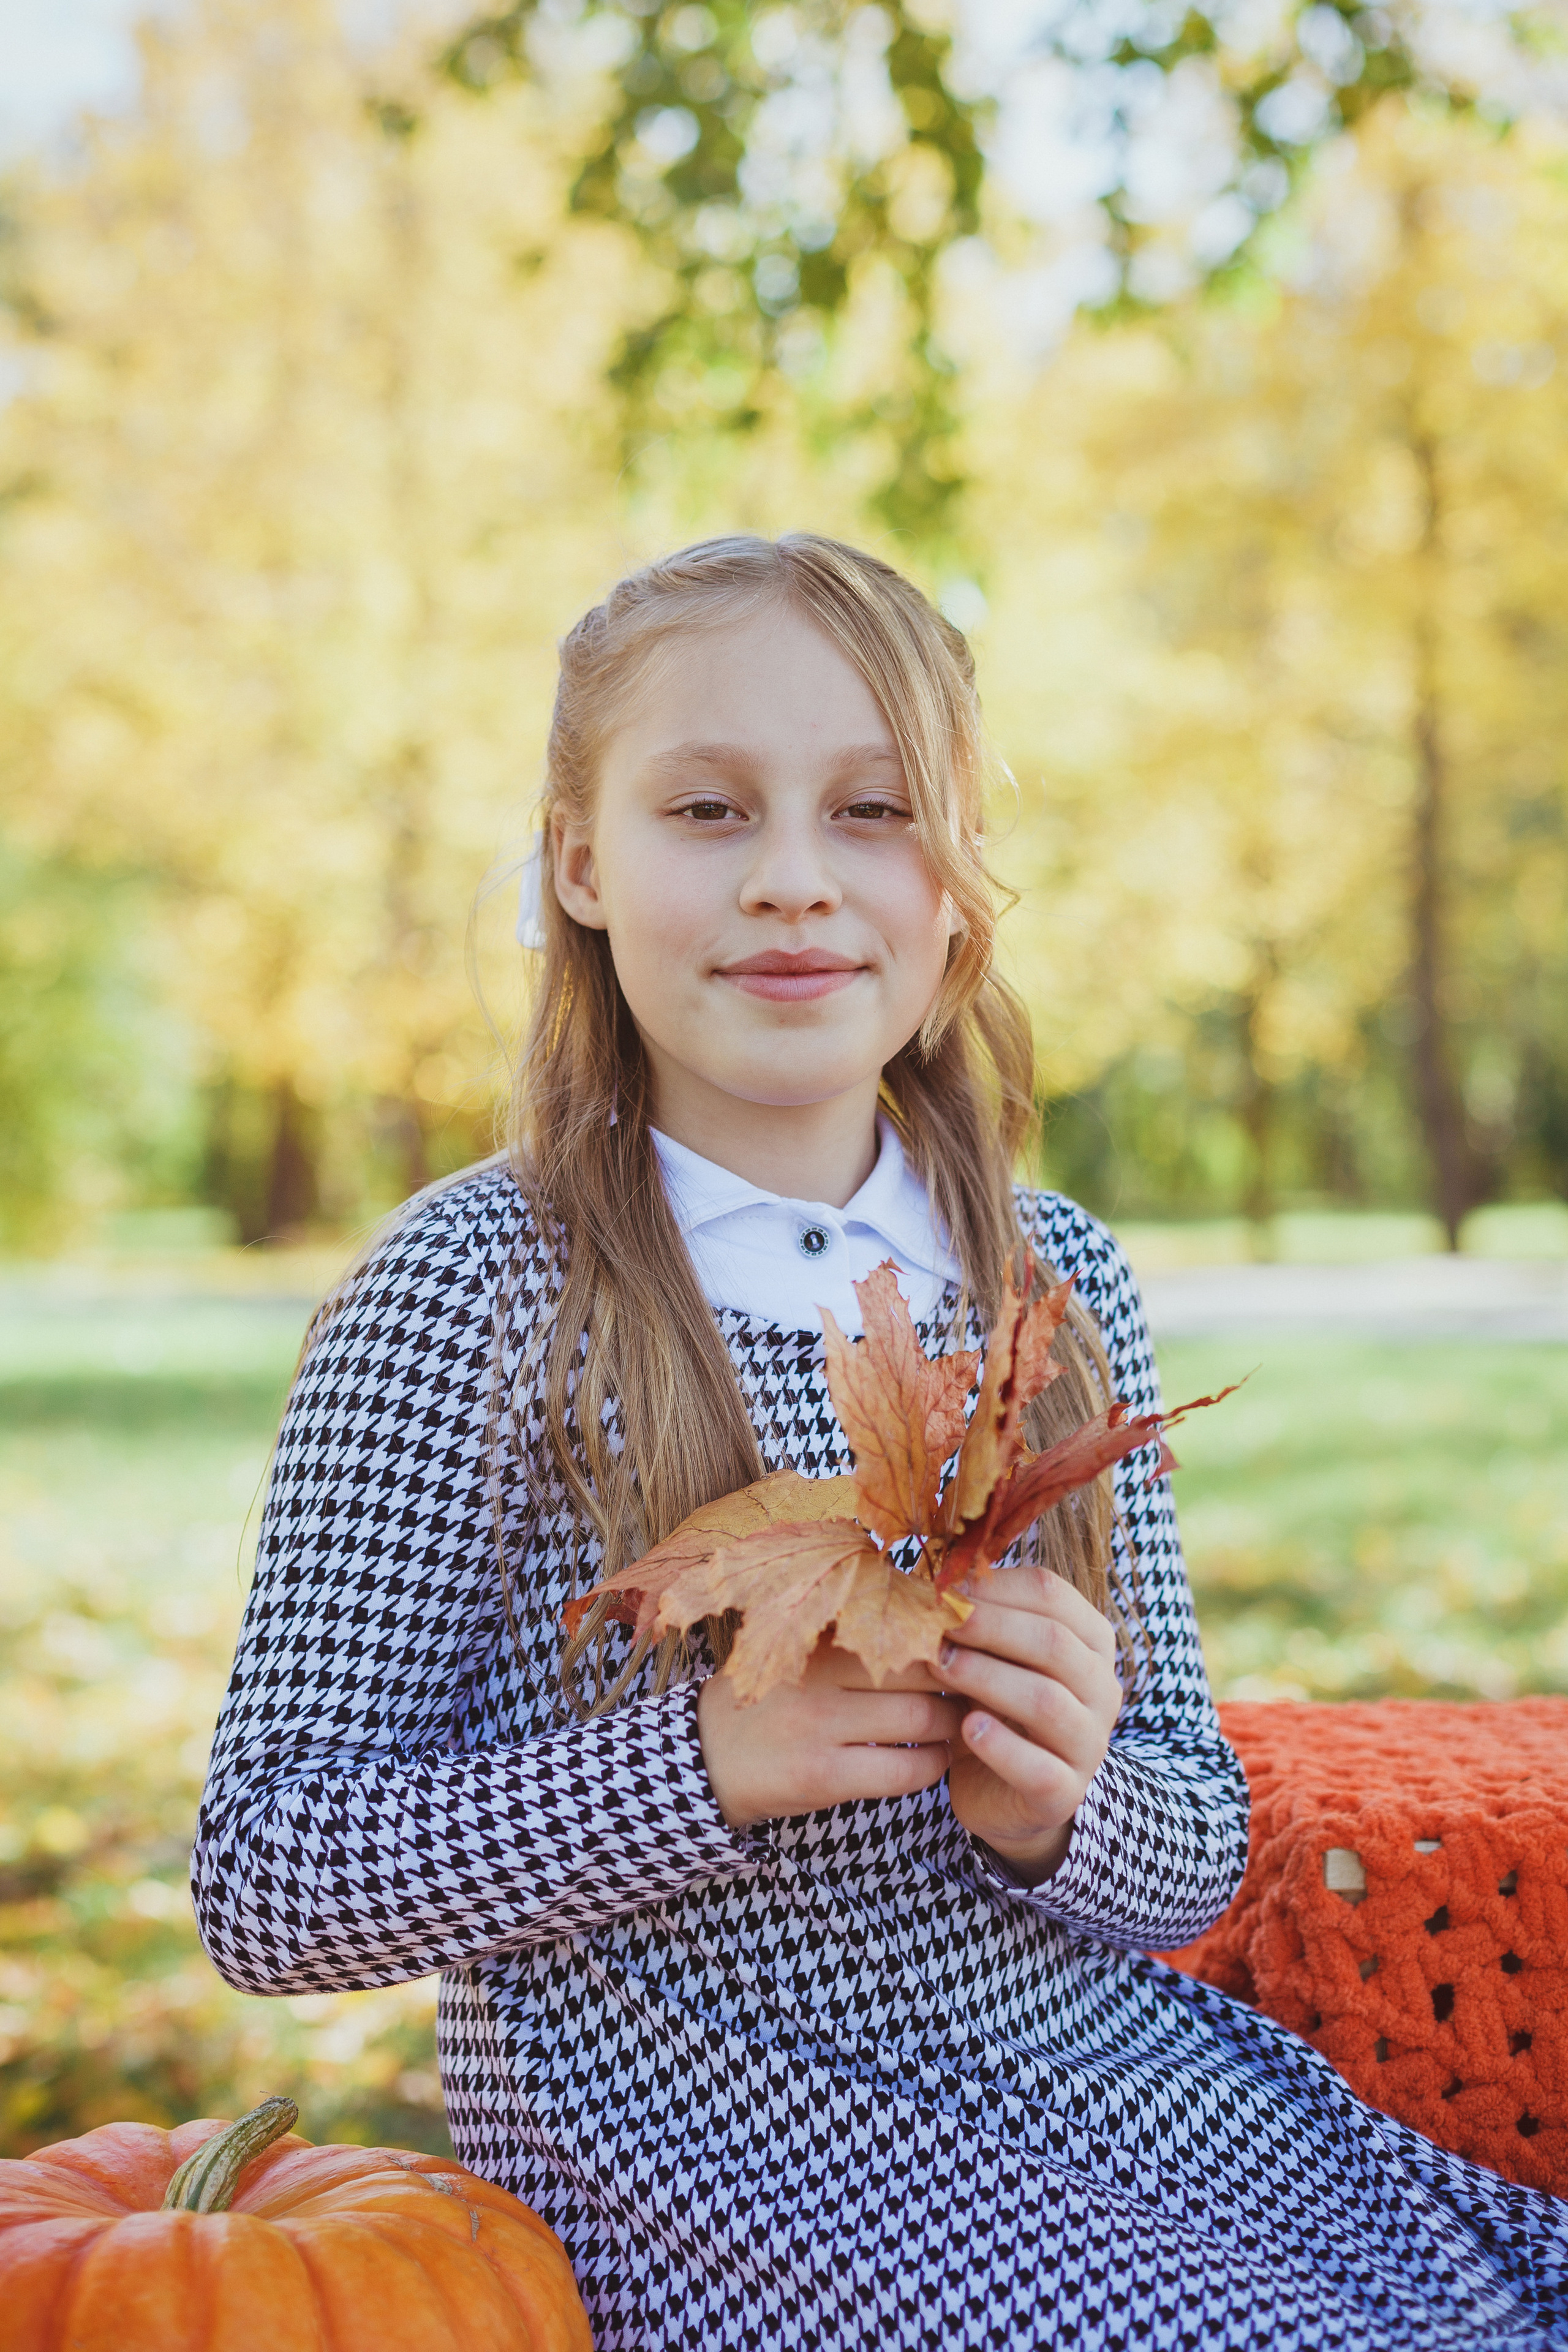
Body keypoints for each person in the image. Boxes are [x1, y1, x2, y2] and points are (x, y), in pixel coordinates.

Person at [194, 533, 1568, 2350]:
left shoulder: (1046, 1273)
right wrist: (698, 1771)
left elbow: (1189, 1839)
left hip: (1117, 2089)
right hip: (731, 2162)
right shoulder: (480, 1286)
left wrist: (1064, 1803)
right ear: (580, 862)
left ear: (959, 873)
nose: (793, 877)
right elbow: (271, 1878)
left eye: (873, 810)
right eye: (708, 810)